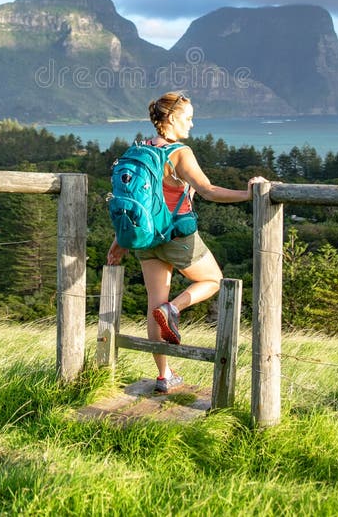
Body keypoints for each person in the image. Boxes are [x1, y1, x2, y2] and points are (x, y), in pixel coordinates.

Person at [107, 91, 267, 393]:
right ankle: (175, 309)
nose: (191, 125)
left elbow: (135, 200)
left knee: (155, 302)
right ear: (170, 118)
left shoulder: (139, 150)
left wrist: (121, 240)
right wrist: (249, 194)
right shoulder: (179, 152)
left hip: (144, 239)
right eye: (188, 118)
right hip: (176, 235)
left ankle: (164, 376)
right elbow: (208, 190)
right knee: (213, 281)